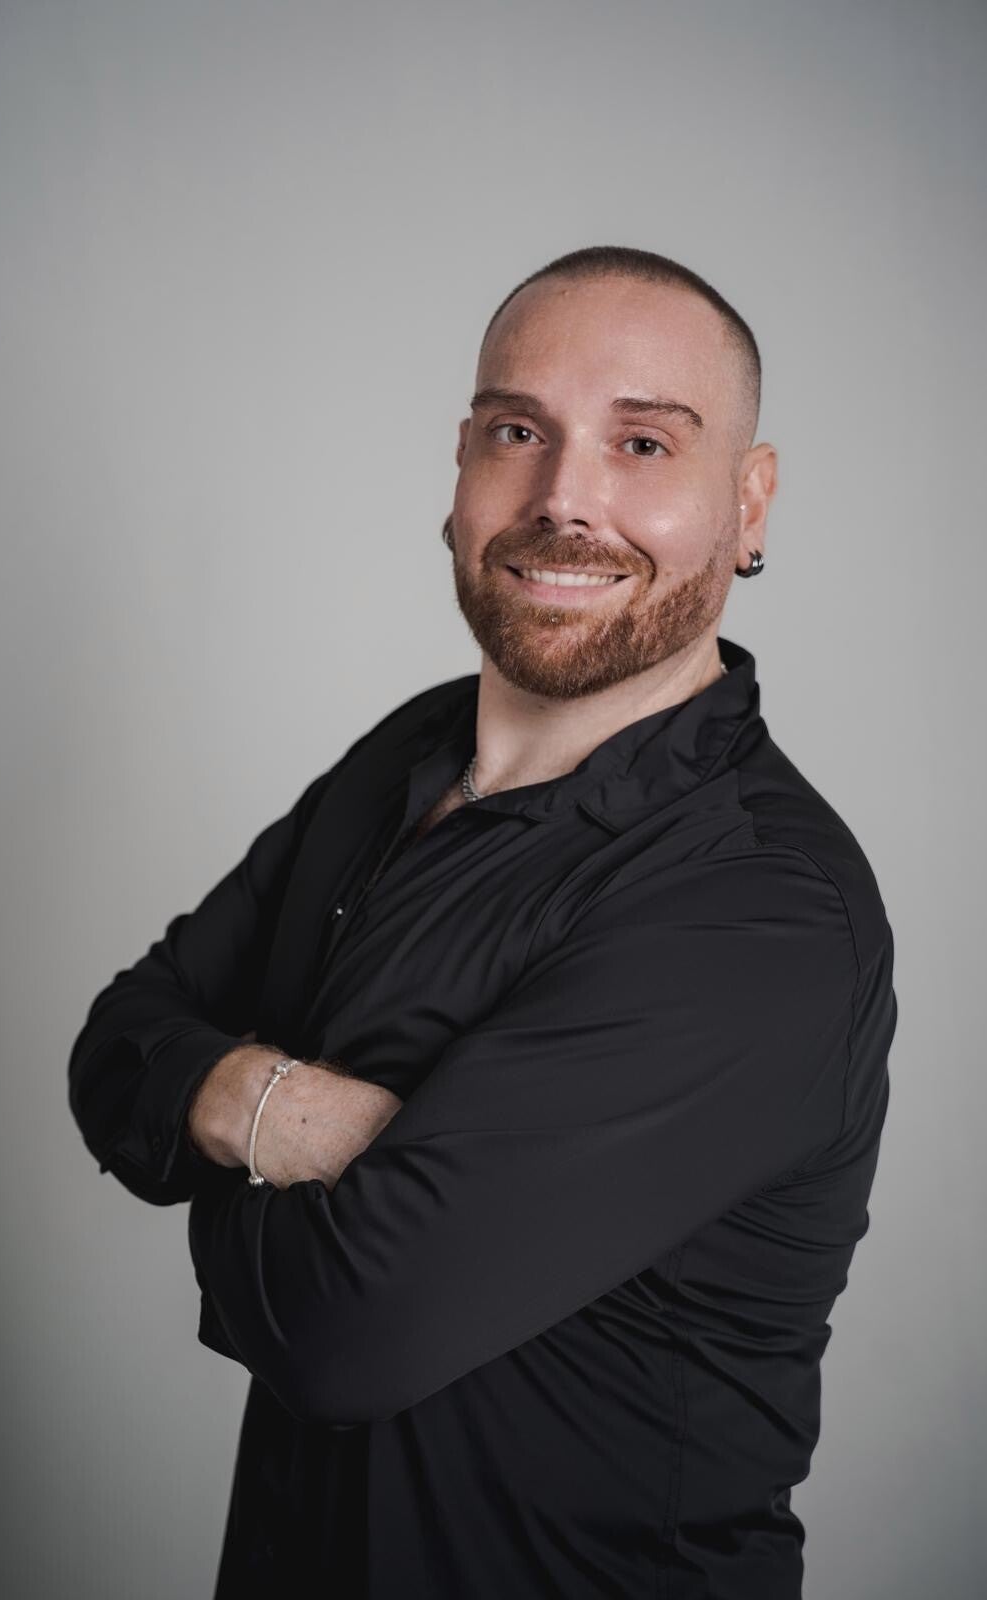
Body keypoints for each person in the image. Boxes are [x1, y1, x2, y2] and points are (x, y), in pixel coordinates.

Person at [68, 245, 897, 1598]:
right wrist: (288, 1118)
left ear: (747, 503)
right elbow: (116, 1042)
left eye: (642, 443)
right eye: (517, 431)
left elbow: (341, 1330)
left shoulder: (760, 908)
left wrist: (205, 1119)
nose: (563, 497)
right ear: (460, 468)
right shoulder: (408, 752)